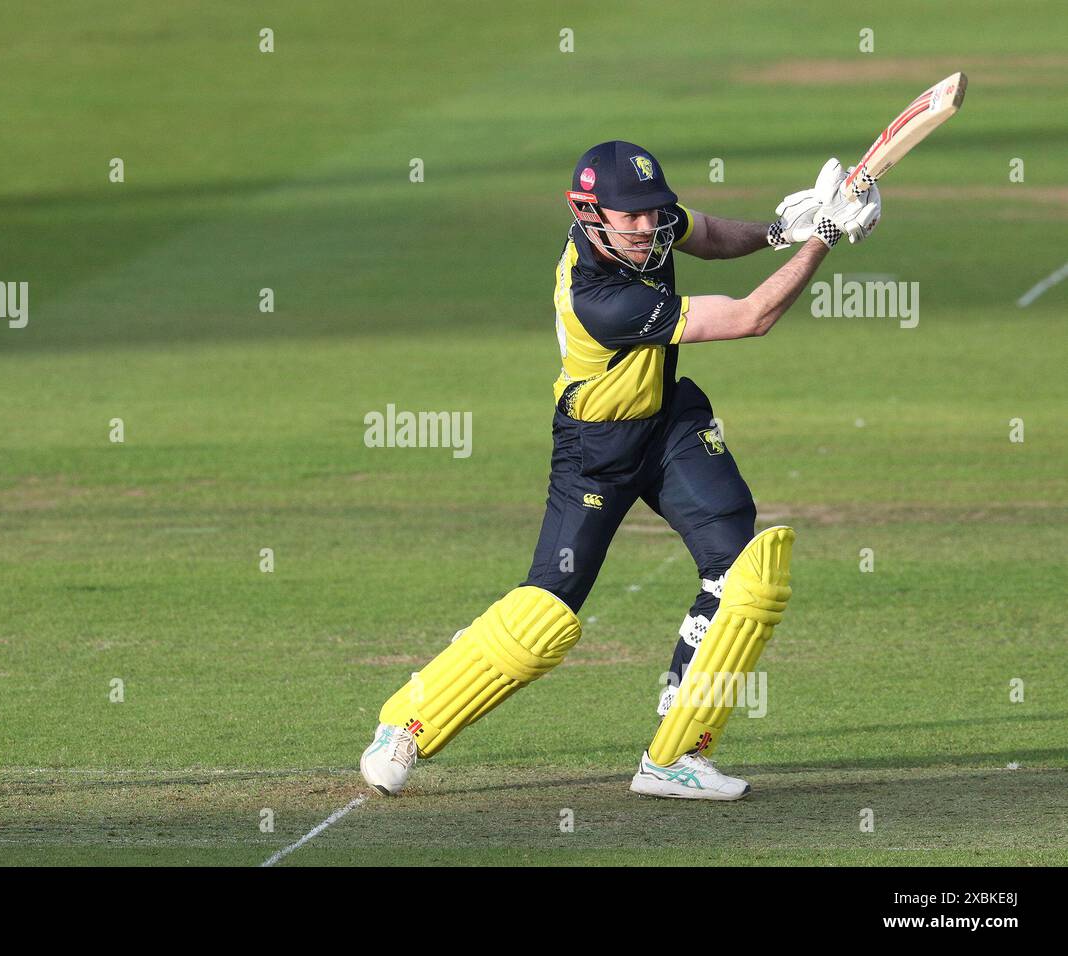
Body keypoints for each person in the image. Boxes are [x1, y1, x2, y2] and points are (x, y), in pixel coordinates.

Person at [360, 141, 880, 800]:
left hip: (669, 426)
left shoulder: (649, 228)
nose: (646, 228)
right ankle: (406, 726)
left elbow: (710, 234)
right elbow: (753, 317)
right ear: (587, 213)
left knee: (744, 575)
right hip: (596, 453)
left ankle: (676, 753)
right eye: (629, 217)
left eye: (653, 212)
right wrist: (826, 237)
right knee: (544, 616)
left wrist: (783, 231)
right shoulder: (599, 298)